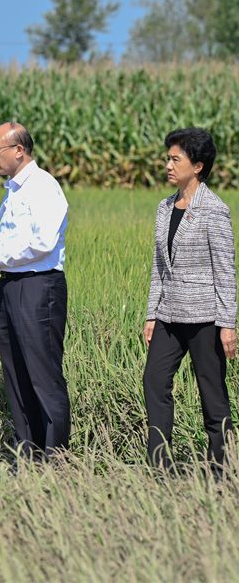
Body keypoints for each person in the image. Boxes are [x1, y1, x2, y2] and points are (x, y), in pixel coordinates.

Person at [143, 127, 237, 473]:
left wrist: (228, 323)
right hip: (169, 315)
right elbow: (158, 266)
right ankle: (159, 466)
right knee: (154, 381)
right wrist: (152, 312)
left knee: (212, 395)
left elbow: (225, 270)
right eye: (168, 158)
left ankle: (221, 469)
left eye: (175, 158)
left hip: (205, 319)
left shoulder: (214, 210)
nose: (168, 164)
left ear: (197, 166)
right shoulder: (165, 207)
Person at [0, 122, 70, 459]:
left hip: (38, 287)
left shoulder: (42, 186)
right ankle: (28, 453)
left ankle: (56, 457)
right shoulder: (14, 190)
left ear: (19, 150)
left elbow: (42, 242)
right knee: (16, 374)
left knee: (43, 374)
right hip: (10, 286)